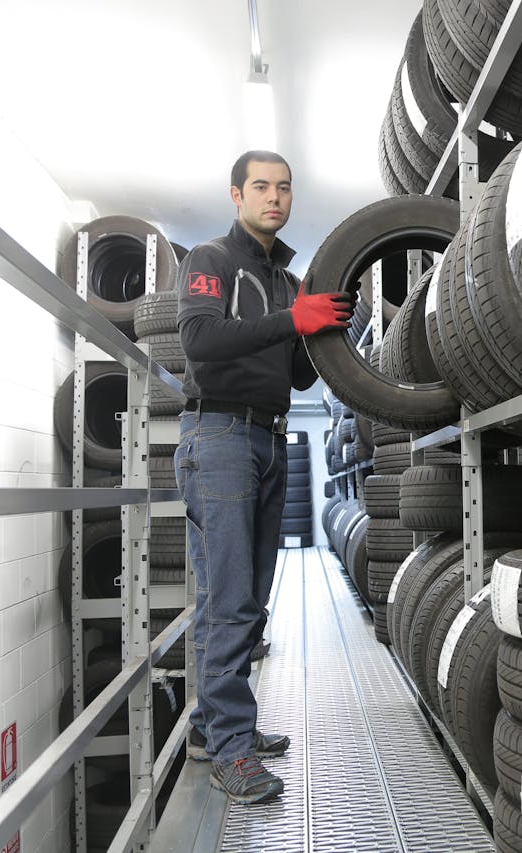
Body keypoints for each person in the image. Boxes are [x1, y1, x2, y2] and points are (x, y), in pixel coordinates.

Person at [173, 150, 354, 803]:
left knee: (245, 599)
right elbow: (202, 342)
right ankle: (231, 749)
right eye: (261, 187)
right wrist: (293, 321)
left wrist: (325, 329)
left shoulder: (289, 281)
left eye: (283, 188)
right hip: (218, 435)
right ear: (236, 194)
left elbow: (298, 375)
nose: (274, 197)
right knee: (231, 601)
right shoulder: (208, 261)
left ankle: (209, 728)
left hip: (269, 438)